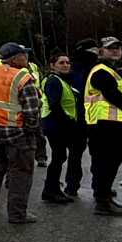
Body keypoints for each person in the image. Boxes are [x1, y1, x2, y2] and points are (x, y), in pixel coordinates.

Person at [0, 43, 42, 224]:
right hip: (18, 133)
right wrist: (30, 132)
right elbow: (32, 111)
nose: (27, 57)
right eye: (24, 54)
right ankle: (17, 214)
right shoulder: (23, 77)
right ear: (14, 58)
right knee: (21, 173)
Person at [85, 36, 122, 216]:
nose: (115, 50)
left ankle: (105, 197)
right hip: (106, 126)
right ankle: (103, 202)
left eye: (118, 48)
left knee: (110, 164)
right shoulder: (101, 71)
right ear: (101, 50)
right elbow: (112, 94)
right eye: (110, 48)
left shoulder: (114, 71)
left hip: (116, 124)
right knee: (107, 164)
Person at [40, 50, 85, 204]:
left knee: (60, 157)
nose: (66, 65)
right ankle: (49, 190)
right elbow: (54, 104)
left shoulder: (62, 80)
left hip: (59, 123)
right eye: (61, 62)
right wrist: (68, 122)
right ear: (53, 65)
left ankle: (53, 188)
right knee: (59, 156)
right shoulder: (54, 80)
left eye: (67, 62)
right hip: (55, 124)